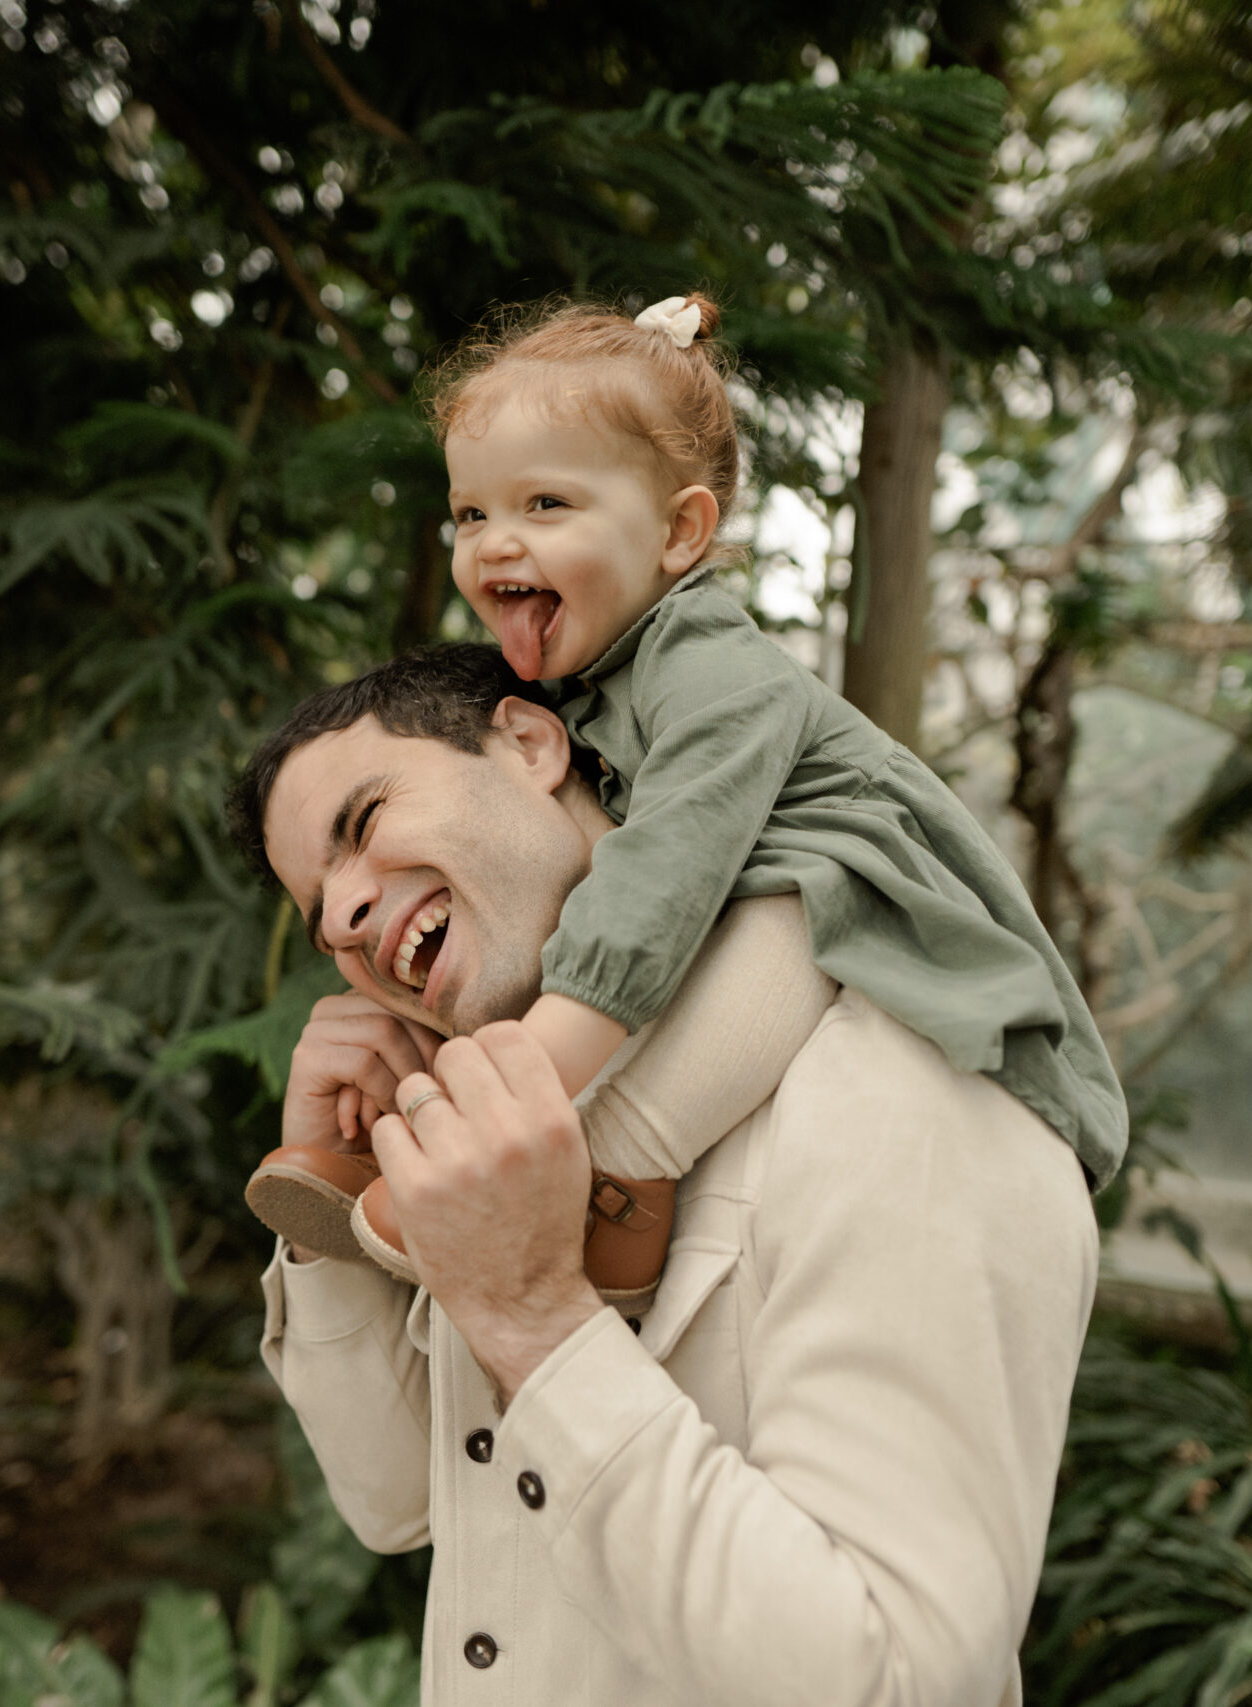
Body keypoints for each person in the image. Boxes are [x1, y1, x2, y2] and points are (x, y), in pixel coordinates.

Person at [225, 643, 1105, 1704]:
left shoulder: (914, 1096)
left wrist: (534, 1320)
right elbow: (394, 1501)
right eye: (316, 909)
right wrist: (331, 1207)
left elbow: (902, 1679)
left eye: (363, 825)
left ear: (531, 742)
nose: (341, 922)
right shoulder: (505, 1127)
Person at [244, 291, 1126, 1301]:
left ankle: (592, 1165)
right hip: (775, 901)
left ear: (678, 533)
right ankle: (616, 1207)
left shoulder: (713, 666)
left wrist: (525, 1076)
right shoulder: (591, 689)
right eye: (470, 514)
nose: (493, 543)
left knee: (747, 946)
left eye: (545, 506)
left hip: (854, 900)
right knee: (706, 960)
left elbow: (664, 870)